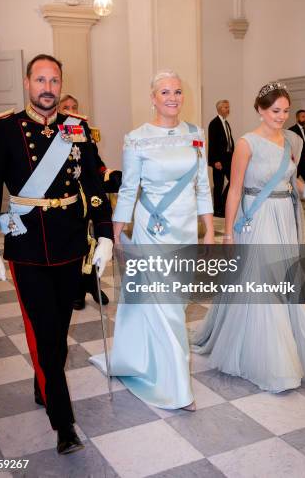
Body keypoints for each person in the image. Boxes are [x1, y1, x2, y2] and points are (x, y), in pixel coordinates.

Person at [0, 54, 114, 455]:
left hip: (70, 242)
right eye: (41, 80)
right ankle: (64, 422)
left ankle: (43, 381)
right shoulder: (4, 130)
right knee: (46, 334)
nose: (48, 87)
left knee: (58, 329)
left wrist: (103, 235)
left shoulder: (77, 128)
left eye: (54, 80)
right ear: (27, 83)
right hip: (28, 245)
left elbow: (92, 183)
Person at [192, 82, 305, 393]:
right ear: (260, 109)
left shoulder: (291, 141)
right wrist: (227, 232)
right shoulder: (247, 143)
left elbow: (294, 182)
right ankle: (271, 362)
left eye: (285, 111)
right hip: (257, 220)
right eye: (275, 111)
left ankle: (286, 350)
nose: (281, 116)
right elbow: (234, 189)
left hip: (285, 217)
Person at [90, 70, 214, 410]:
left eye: (177, 91)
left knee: (176, 303)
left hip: (186, 230)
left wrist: (211, 228)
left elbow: (202, 185)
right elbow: (128, 190)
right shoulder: (137, 138)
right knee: (166, 308)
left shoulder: (196, 134)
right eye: (164, 92)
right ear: (153, 98)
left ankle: (144, 359)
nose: (172, 97)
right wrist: (114, 233)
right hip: (151, 231)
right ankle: (177, 388)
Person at [58, 93, 122, 309]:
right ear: (58, 108)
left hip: (89, 198)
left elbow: (95, 163)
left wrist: (108, 173)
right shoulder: (53, 133)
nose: (71, 110)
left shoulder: (83, 131)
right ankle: (76, 289)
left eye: (74, 106)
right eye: (66, 106)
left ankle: (92, 284)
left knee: (93, 243)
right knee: (75, 245)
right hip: (68, 201)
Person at [208, 100, 234, 217]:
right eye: (225, 107)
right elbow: (212, 143)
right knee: (218, 185)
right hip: (219, 160)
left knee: (233, 181)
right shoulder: (214, 123)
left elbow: (229, 141)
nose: (228, 109)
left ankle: (223, 204)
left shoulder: (226, 123)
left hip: (228, 158)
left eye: (228, 107)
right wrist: (215, 161)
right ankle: (218, 210)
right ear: (219, 109)